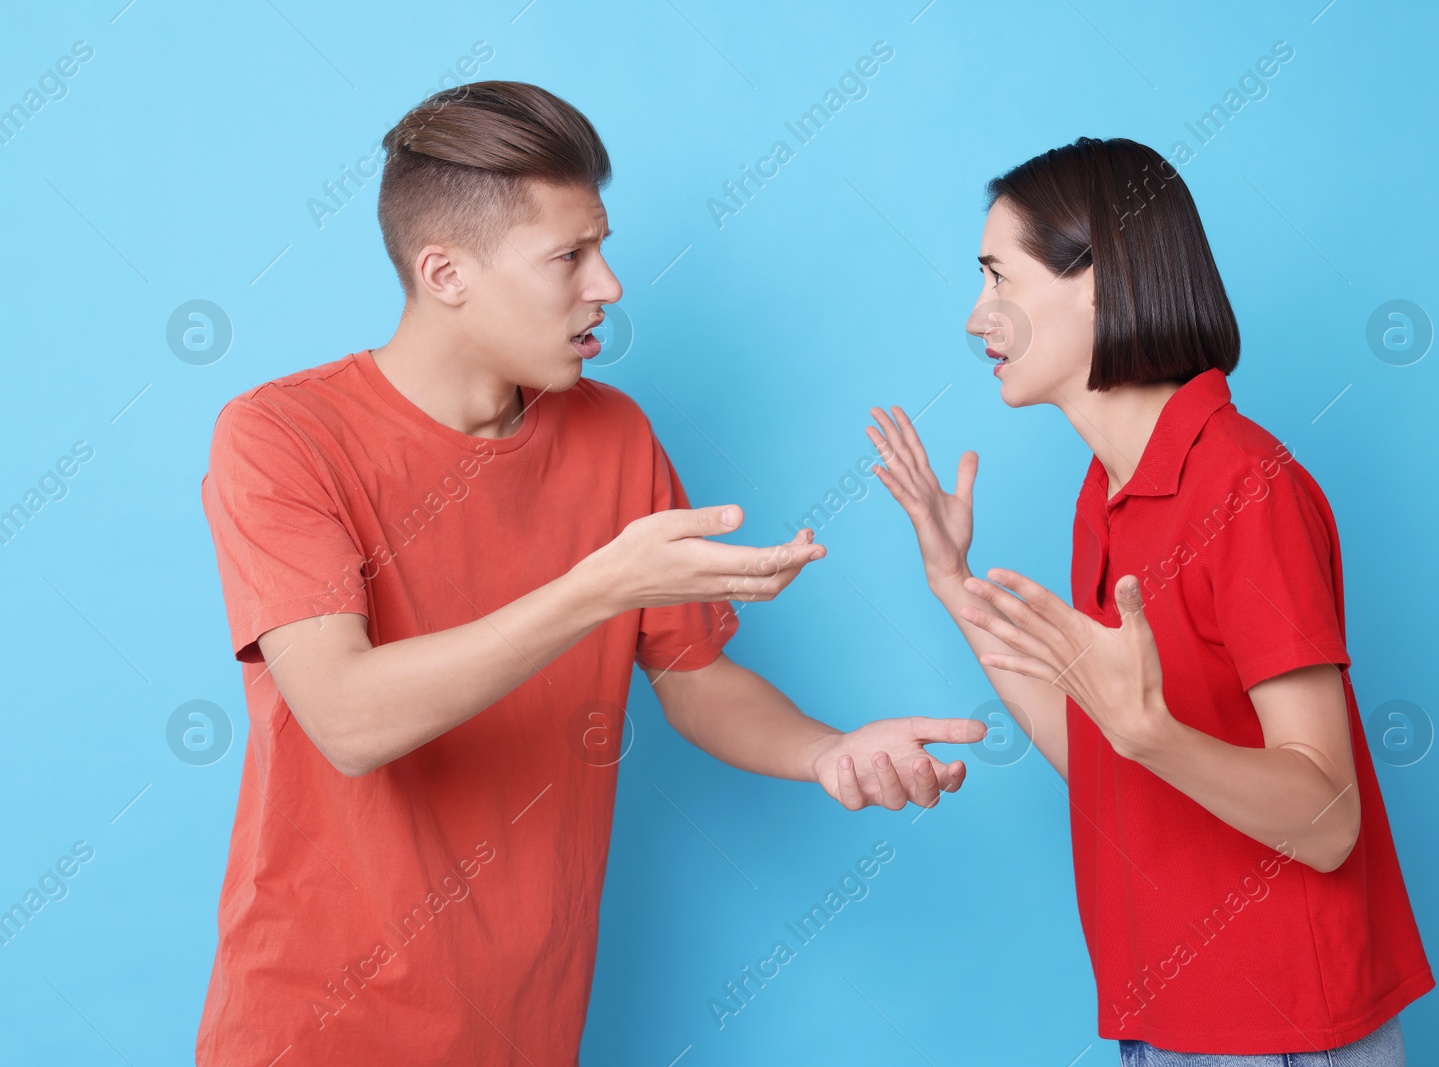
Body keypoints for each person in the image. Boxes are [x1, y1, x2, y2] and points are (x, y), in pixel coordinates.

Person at [193, 80, 984, 1066]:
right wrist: (600, 586)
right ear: (445, 272)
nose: (606, 284)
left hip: (530, 1023)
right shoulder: (280, 437)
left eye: (600, 248)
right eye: (569, 257)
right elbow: (350, 721)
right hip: (317, 1028)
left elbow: (695, 677)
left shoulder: (614, 434)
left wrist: (826, 751)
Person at [867, 137, 1434, 1062]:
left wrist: (1151, 733)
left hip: (1283, 1032)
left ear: (1098, 279)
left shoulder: (1245, 486)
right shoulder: (1107, 490)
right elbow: (1105, 761)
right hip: (1162, 1022)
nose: (978, 318)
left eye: (998, 278)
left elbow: (1329, 822)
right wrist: (953, 585)